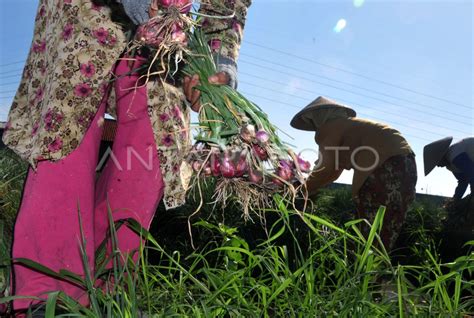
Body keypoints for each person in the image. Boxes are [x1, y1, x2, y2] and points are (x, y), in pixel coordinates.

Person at [2, 0, 251, 314]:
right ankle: (48, 296)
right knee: (66, 131)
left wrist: (218, 58)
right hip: (85, 9)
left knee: (154, 143)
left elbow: (227, 5)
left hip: (168, 36)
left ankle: (106, 291)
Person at [291, 96, 417, 250]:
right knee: (389, 223)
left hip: (383, 167)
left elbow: (326, 168)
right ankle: (378, 269)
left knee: (368, 223)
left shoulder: (329, 128)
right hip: (406, 162)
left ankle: (364, 269)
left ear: (318, 117)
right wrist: (313, 186)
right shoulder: (351, 127)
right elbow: (333, 171)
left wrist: (301, 191)